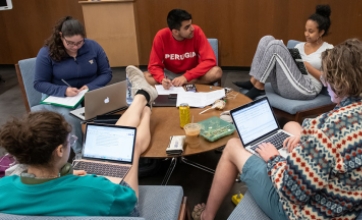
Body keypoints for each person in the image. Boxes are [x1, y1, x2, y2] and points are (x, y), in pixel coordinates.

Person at [192, 39, 362, 220]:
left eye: (327, 78)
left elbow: (291, 193)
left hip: (301, 212)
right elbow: (338, 151)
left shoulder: (323, 129)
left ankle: (207, 215)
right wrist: (307, 148)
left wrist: (274, 159)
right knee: (292, 126)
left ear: (339, 82)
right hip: (345, 204)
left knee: (233, 145)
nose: (325, 83)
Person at [0, 65, 157, 216]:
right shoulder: (96, 189)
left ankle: (143, 99)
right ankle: (145, 103)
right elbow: (129, 203)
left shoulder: (4, 188)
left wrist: (65, 176)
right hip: (119, 205)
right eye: (71, 140)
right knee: (130, 149)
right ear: (60, 150)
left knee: (116, 141)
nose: (72, 141)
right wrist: (87, 181)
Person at [33, 16, 112, 154]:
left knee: (113, 108)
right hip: (59, 96)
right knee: (72, 116)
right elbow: (39, 83)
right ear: (61, 36)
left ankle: (107, 146)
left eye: (79, 43)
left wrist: (90, 86)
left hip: (89, 92)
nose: (75, 47)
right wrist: (64, 90)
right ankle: (80, 152)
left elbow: (106, 73)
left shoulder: (93, 46)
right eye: (70, 43)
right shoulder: (46, 53)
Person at [234, 5, 333, 100]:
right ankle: (254, 81)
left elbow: (330, 80)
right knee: (267, 39)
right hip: (285, 85)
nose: (306, 34)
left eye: (311, 31)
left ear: (321, 32)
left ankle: (259, 86)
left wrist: (308, 67)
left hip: (307, 89)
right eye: (305, 30)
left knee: (276, 45)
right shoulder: (299, 47)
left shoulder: (328, 49)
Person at [144, 9, 222, 89]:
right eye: (187, 27)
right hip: (170, 74)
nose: (192, 29)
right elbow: (154, 65)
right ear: (175, 32)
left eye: (191, 24)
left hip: (193, 74)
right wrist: (161, 79)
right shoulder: (161, 36)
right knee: (145, 76)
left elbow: (210, 60)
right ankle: (176, 84)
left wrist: (186, 77)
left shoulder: (197, 31)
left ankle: (179, 84)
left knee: (216, 72)